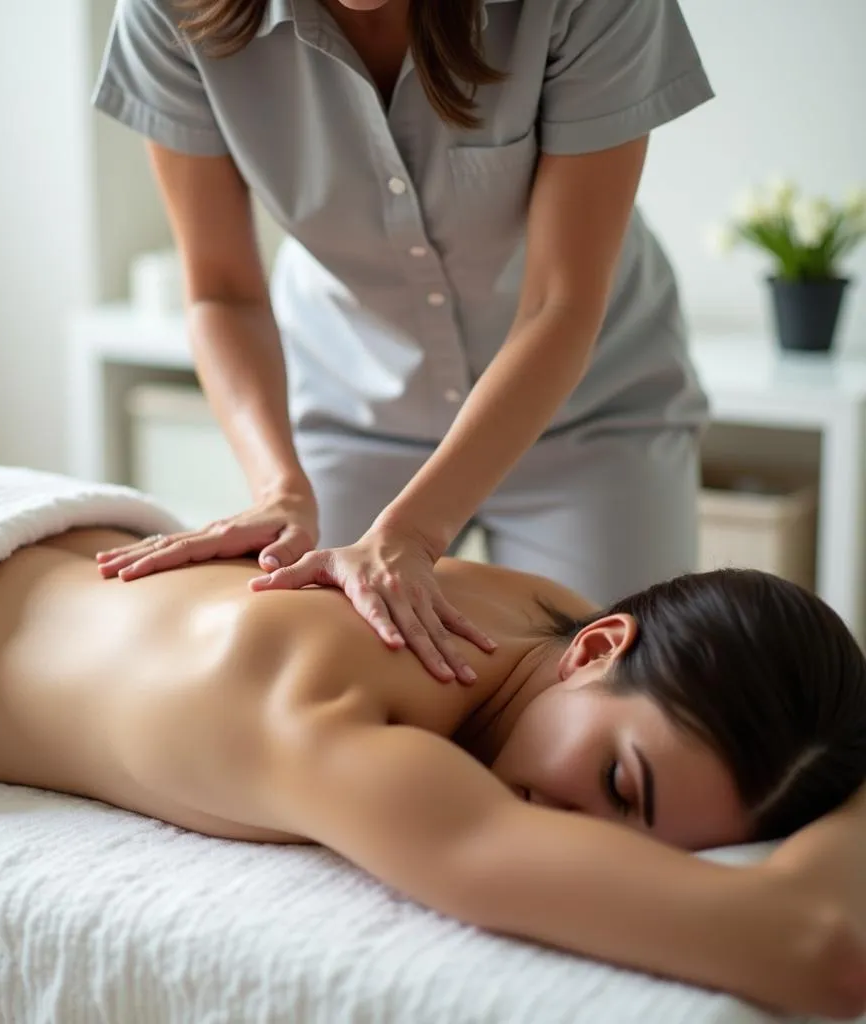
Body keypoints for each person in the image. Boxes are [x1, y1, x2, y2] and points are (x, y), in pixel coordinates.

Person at [0, 520, 866, 1018]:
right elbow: (820, 952)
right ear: (596, 646)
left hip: (14, 548)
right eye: (618, 786)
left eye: (653, 846)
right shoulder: (327, 722)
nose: (586, 842)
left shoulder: (532, 611)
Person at [91, 0, 716, 685]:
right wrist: (278, 489)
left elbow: (557, 304)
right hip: (351, 401)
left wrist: (415, 532)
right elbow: (222, 292)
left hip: (589, 416)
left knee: (617, 694)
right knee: (301, 675)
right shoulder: (172, 10)